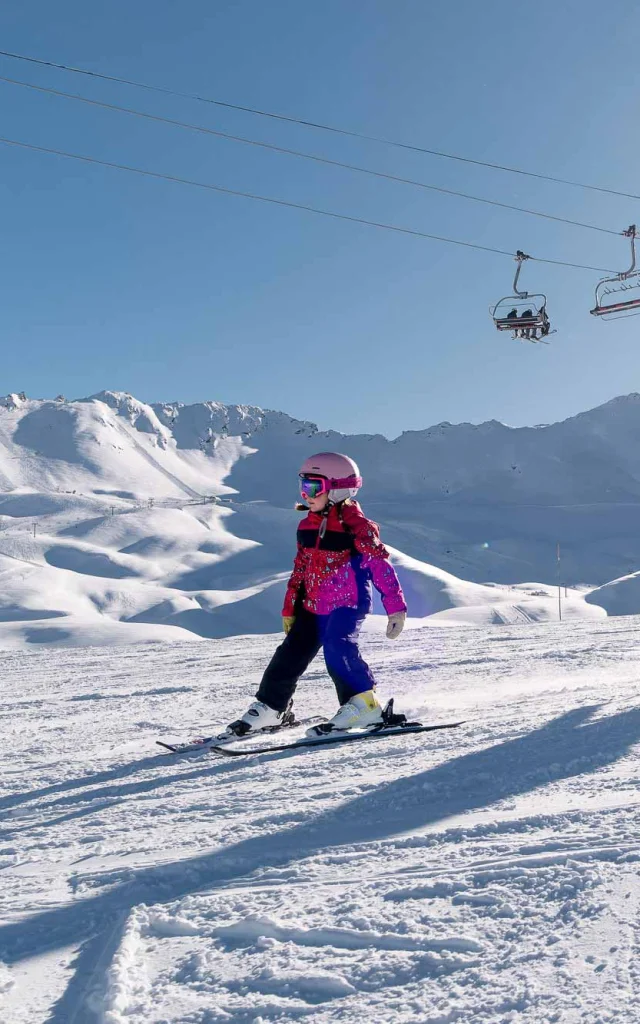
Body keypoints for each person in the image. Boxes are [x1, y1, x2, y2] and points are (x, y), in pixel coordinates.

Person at [225, 453, 407, 738]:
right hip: (313, 604)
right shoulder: (307, 525)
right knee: (289, 653)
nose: (306, 495)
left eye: (313, 488)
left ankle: (363, 704)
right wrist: (290, 609)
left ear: (337, 489)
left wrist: (395, 607)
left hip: (348, 602)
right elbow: (300, 570)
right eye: (303, 487)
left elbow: (379, 565)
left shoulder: (358, 527)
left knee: (338, 646)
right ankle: (272, 707)